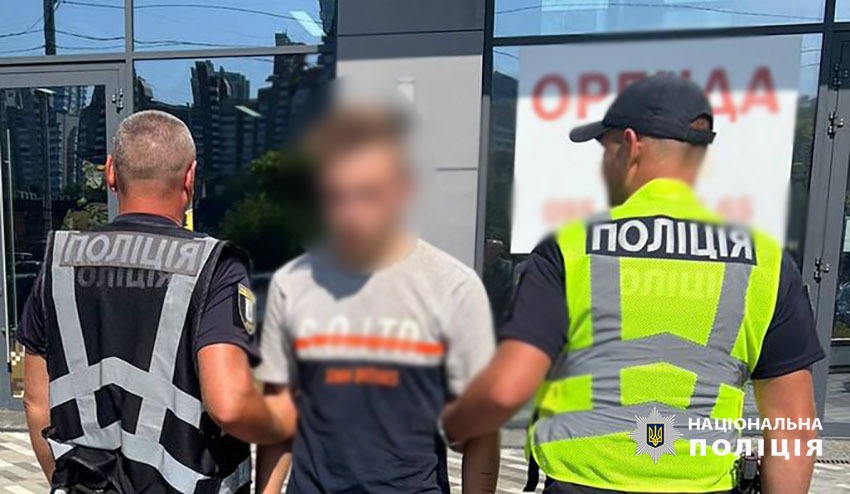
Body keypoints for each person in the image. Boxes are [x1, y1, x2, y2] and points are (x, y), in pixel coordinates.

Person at [441, 75, 825, 493]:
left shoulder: (570, 248)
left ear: (629, 145)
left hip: (581, 484)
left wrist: (459, 420)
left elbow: (507, 389)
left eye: (605, 150)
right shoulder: (765, 261)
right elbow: (794, 426)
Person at [19, 110, 292, 493]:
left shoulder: (59, 262)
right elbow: (228, 406)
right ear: (190, 177)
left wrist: (66, 481)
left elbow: (36, 403)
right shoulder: (215, 267)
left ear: (110, 173)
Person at [254, 104, 501, 493]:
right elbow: (280, 414)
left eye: (368, 194)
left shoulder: (452, 287)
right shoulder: (293, 284)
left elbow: (481, 432)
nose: (350, 213)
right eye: (337, 196)